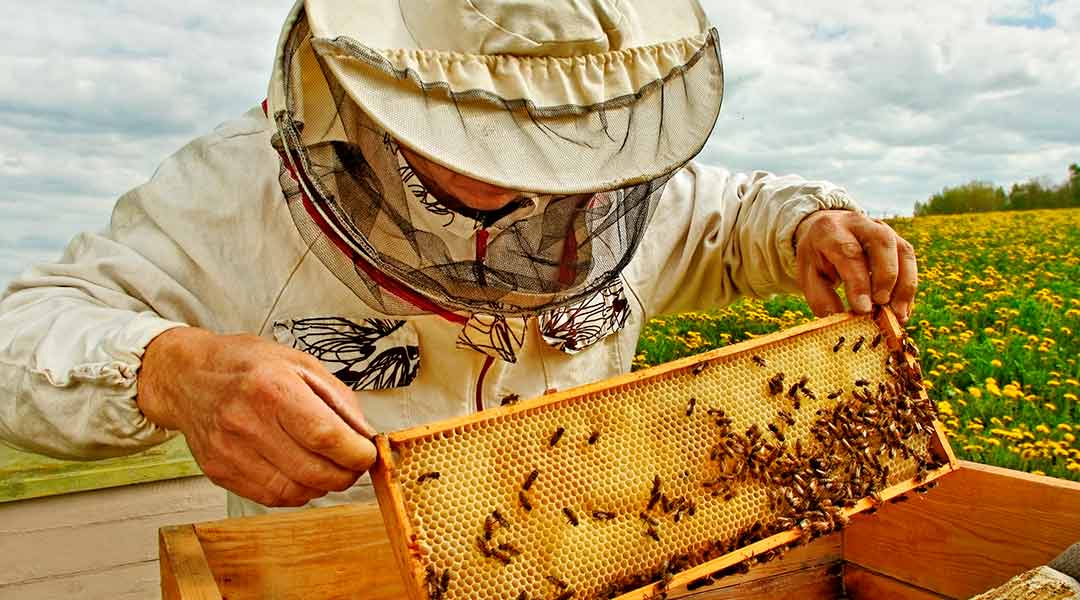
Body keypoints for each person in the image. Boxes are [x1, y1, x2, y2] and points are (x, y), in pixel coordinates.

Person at [0, 0, 917, 518]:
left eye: (555, 137)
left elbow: (734, 214)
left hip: (592, 556)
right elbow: (23, 333)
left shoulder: (617, 187)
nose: (526, 175)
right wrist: (172, 370)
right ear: (374, 87)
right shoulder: (228, 188)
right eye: (478, 134)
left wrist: (809, 225)